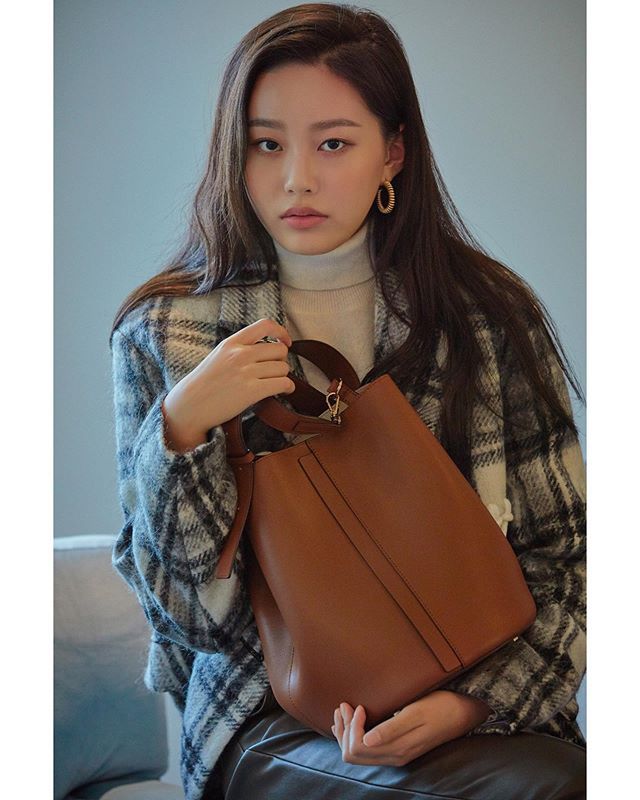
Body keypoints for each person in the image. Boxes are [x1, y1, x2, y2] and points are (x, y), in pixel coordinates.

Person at [109, 4, 586, 799]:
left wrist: (470, 705)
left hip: (484, 703)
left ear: (393, 153)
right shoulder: (165, 333)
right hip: (270, 719)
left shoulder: (488, 318)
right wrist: (184, 429)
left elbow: (569, 557)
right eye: (266, 144)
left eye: (333, 143)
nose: (296, 178)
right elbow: (193, 626)